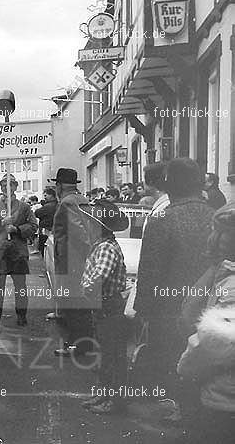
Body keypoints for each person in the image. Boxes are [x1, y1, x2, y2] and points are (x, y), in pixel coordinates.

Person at [134, 158, 215, 422]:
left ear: (169, 186)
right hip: (212, 303)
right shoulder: (216, 215)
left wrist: (143, 310)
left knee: (175, 359)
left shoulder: (162, 219)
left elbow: (150, 270)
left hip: (170, 309)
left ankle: (182, 409)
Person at [177, 203, 235, 442]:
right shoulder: (224, 275)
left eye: (223, 231)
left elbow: (213, 343)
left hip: (224, 398)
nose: (215, 238)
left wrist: (185, 368)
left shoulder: (231, 287)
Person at [78, 200, 129, 414]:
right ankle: (104, 395)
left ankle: (113, 401)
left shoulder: (106, 248)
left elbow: (99, 278)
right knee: (106, 354)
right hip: (105, 307)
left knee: (112, 356)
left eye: (91, 222)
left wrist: (85, 290)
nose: (87, 226)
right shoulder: (101, 246)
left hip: (109, 307)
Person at [51, 168, 102, 356]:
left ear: (60, 186)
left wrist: (84, 254)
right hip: (81, 261)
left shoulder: (67, 203)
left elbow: (78, 232)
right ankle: (84, 344)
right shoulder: (83, 200)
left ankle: (76, 346)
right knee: (81, 305)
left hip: (71, 262)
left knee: (73, 305)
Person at [0, 175, 38, 334]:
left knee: (20, 286)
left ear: (16, 187)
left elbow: (33, 226)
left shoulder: (24, 207)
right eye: (4, 185)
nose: (8, 188)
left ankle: (21, 314)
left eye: (11, 185)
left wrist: (17, 229)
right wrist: (1, 223)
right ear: (0, 187)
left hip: (18, 252)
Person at [141, 162, 170, 233]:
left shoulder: (164, 208)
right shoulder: (164, 204)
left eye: (144, 180)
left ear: (150, 182)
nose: (143, 182)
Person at [35, 187, 58, 258]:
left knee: (46, 252)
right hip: (55, 230)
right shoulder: (58, 204)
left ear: (51, 195)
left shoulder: (48, 206)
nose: (44, 197)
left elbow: (37, 213)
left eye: (45, 195)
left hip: (46, 231)